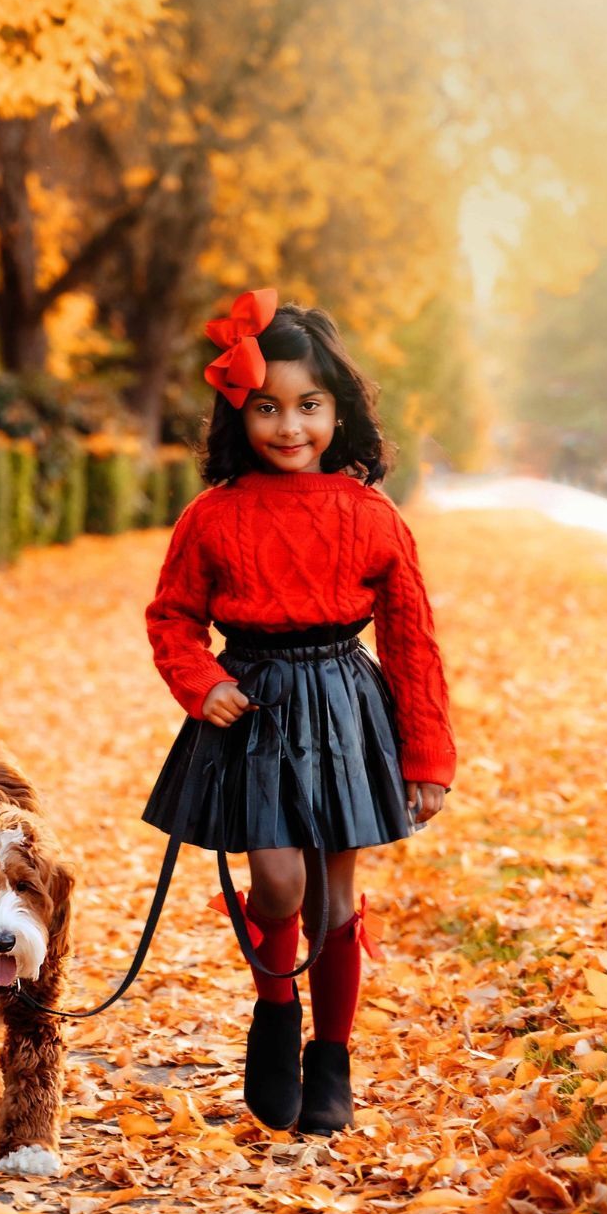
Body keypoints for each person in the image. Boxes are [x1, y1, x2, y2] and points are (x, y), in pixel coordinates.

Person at [141, 288, 457, 1137]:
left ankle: (333, 1060)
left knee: (333, 892)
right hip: (254, 712)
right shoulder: (211, 517)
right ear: (238, 412)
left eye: (309, 406)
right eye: (268, 407)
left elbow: (411, 639)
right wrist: (200, 681)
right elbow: (171, 616)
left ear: (338, 411)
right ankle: (276, 1016)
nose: (290, 427)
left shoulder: (372, 518)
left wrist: (426, 759)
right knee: (277, 880)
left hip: (344, 705)